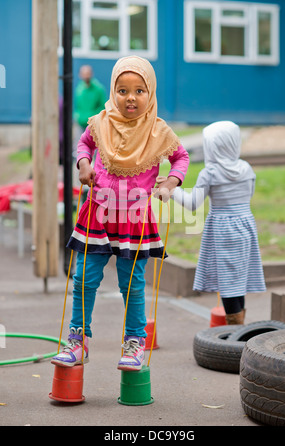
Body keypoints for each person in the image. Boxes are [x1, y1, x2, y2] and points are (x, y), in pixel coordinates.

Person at [51, 56, 189, 370]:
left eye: (139, 91)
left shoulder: (158, 130)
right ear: (113, 91)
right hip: (97, 213)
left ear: (150, 94)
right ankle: (77, 340)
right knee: (84, 278)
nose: (130, 97)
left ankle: (134, 343)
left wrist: (170, 182)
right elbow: (84, 144)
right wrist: (84, 163)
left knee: (132, 284)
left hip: (133, 219)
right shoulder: (100, 121)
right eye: (123, 90)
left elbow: (181, 158)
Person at [171, 121, 266, 325]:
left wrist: (172, 190)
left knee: (228, 281)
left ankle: (235, 331)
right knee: (238, 277)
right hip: (245, 225)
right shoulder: (247, 169)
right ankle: (239, 323)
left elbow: (192, 203)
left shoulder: (211, 173)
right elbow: (248, 194)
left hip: (223, 229)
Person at [74, 65, 107, 131]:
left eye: (87, 74)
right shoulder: (79, 89)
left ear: (91, 74)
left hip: (93, 125)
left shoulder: (98, 89)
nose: (86, 76)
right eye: (84, 74)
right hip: (81, 124)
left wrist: (93, 118)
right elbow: (77, 106)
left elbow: (102, 107)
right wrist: (77, 117)